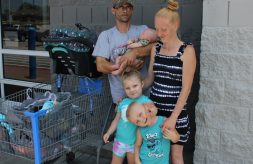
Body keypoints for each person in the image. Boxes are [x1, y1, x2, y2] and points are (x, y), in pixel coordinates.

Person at [143, 0, 197, 163]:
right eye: (157, 28)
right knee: (156, 155)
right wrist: (131, 92)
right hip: (155, 113)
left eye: (163, 29)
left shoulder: (187, 51)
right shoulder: (156, 49)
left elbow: (186, 89)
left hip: (176, 115)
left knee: (175, 156)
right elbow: (150, 80)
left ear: (175, 26)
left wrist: (173, 118)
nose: (159, 33)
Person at [92, 0, 153, 105]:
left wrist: (135, 53)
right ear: (113, 10)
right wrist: (124, 65)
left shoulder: (143, 30)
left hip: (145, 96)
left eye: (128, 7)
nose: (125, 10)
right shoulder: (106, 35)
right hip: (121, 99)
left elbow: (156, 46)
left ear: (132, 10)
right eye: (121, 7)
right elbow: (100, 65)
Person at [103, 70, 152, 164]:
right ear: (124, 89)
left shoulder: (146, 102)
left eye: (135, 86)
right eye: (128, 88)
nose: (132, 90)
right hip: (119, 141)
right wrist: (108, 132)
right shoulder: (123, 102)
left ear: (141, 84)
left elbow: (150, 121)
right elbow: (116, 120)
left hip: (135, 144)